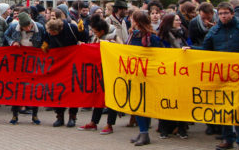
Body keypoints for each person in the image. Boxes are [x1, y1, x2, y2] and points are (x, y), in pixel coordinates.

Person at [187, 2, 239, 150]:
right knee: (224, 109)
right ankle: (227, 138)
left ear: (231, 13)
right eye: (221, 14)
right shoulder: (214, 32)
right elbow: (206, 51)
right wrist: (190, 49)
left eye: (226, 13)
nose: (223, 16)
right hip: (221, 78)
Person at [124, 11, 163, 146]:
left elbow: (159, 56)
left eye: (132, 19)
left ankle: (144, 132)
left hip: (147, 76)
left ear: (136, 21)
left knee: (141, 104)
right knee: (138, 104)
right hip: (134, 75)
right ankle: (142, 132)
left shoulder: (151, 38)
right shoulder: (132, 35)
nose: (130, 20)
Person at [77, 17, 119, 134]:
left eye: (95, 32)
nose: (94, 33)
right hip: (99, 73)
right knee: (98, 98)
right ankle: (94, 122)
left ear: (102, 31)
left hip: (111, 73)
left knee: (111, 99)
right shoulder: (97, 38)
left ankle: (109, 124)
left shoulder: (113, 39)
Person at [4, 12, 45, 125]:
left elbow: (45, 41)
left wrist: (43, 49)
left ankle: (35, 115)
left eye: (29, 26)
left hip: (34, 62)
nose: (27, 28)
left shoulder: (40, 27)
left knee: (34, 88)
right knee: (17, 88)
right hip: (19, 61)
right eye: (25, 27)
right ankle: (14, 115)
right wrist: (12, 42)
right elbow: (6, 35)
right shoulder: (13, 27)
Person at [44, 17, 85, 128]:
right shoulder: (50, 32)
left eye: (52, 33)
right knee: (58, 91)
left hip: (72, 64)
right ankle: (59, 116)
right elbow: (47, 39)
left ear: (58, 30)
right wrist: (45, 44)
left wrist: (82, 30)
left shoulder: (71, 28)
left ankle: (72, 117)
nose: (51, 34)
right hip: (58, 65)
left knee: (72, 91)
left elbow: (83, 38)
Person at [156, 13, 189, 139]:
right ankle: (164, 128)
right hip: (166, 73)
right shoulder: (162, 37)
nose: (179, 22)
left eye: (180, 20)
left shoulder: (183, 34)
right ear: (169, 22)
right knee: (166, 101)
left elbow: (190, 45)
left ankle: (182, 128)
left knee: (181, 101)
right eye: (176, 20)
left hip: (182, 73)